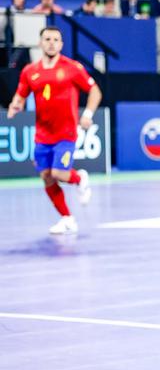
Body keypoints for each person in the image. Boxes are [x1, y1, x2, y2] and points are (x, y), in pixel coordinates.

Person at [6, 26, 101, 234]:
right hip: (42, 135)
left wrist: (87, 114)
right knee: (47, 176)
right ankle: (67, 218)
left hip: (66, 133)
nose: (51, 43)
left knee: (59, 173)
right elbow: (20, 95)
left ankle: (79, 178)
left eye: (56, 40)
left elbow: (94, 91)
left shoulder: (72, 68)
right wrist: (15, 105)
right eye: (47, 39)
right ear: (40, 43)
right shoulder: (30, 71)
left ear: (61, 44)